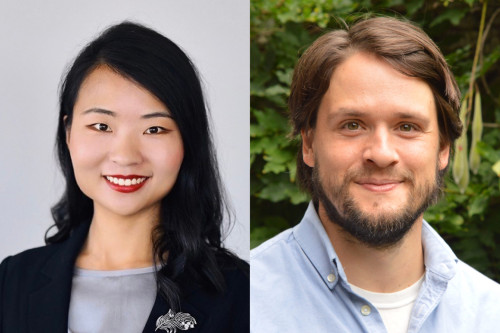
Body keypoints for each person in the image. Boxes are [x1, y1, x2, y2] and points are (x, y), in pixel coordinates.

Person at [250, 16, 500, 333]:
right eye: (352, 125)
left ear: (443, 148)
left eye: (407, 127)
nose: (381, 154)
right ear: (309, 144)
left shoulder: (491, 315)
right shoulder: (242, 303)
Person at [0, 22, 249, 333]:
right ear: (68, 132)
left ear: (188, 141)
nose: (125, 155)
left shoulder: (242, 293)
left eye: (154, 129)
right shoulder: (12, 281)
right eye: (102, 126)